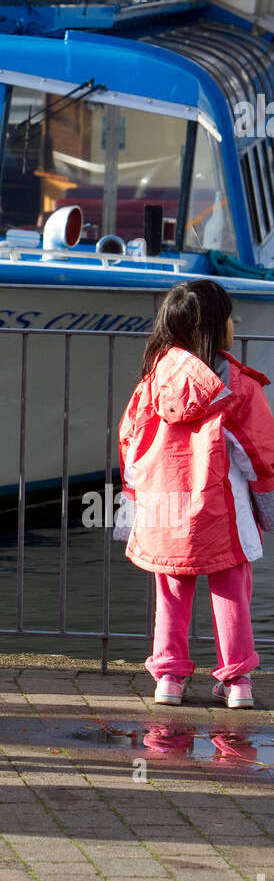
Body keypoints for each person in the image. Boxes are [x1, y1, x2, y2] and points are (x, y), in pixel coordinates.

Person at [116, 279, 274, 710]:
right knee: (231, 589)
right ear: (215, 327)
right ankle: (237, 681)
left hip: (166, 509)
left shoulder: (153, 381)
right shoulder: (238, 385)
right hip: (222, 508)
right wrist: (267, 506)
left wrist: (133, 504)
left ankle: (168, 677)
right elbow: (261, 454)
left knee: (170, 589)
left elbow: (131, 442)